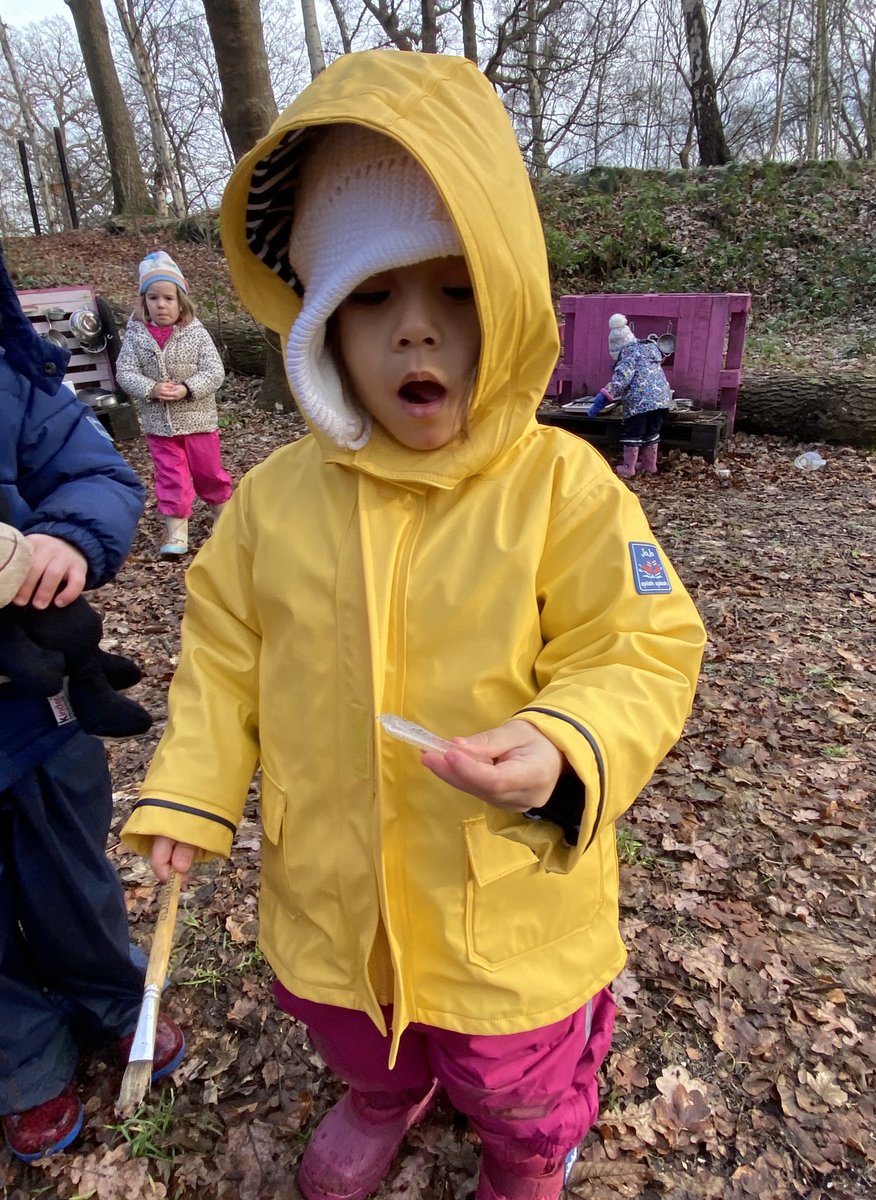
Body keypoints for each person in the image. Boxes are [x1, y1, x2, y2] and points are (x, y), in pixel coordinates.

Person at [121, 51, 706, 1200]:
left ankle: (534, 1144)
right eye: (373, 299)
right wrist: (191, 788)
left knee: (513, 1071)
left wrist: (564, 741)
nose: (416, 335)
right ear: (321, 329)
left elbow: (638, 644)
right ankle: (386, 1093)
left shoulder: (563, 492)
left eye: (454, 292)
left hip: (502, 908)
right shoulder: (278, 503)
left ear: (511, 305)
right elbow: (224, 658)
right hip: (329, 895)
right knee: (346, 1024)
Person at [0, 244, 185, 1163]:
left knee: (74, 874)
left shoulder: (10, 381)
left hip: (36, 706)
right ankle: (25, 1061)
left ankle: (113, 998)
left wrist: (67, 537)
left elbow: (100, 474)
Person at [115, 250, 232, 559]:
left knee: (208, 472)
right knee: (171, 476)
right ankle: (176, 528)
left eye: (168, 298)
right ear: (144, 302)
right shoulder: (136, 335)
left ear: (181, 301)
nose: (161, 305)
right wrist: (151, 388)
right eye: (153, 298)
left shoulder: (195, 332)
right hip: (159, 426)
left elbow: (214, 371)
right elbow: (125, 372)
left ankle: (224, 511)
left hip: (199, 422)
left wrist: (187, 388)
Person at [588, 313, 672, 477]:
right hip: (661, 400)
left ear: (617, 349)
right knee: (651, 432)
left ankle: (628, 467)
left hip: (640, 403)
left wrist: (604, 396)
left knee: (633, 433)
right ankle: (649, 465)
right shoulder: (650, 349)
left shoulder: (628, 355)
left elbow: (621, 379)